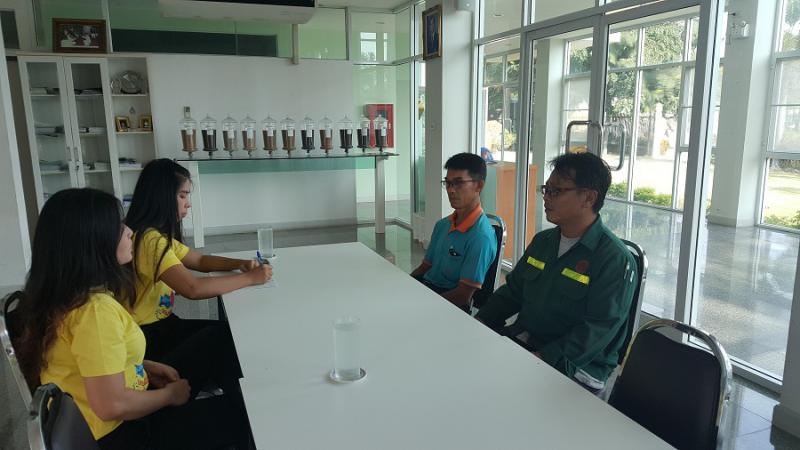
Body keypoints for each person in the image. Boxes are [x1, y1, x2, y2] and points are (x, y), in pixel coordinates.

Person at [14, 188, 249, 449]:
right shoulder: (94, 312)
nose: (129, 232)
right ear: (93, 243)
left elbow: (86, 361)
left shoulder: (64, 297)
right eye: (118, 228)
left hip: (112, 417)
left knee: (215, 341)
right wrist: (169, 396)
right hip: (123, 434)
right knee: (243, 417)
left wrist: (142, 365)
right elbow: (112, 405)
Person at [476, 152, 637, 393]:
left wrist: (542, 360)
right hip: (527, 342)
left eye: (556, 191)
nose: (546, 197)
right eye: (546, 189)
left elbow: (596, 331)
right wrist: (480, 322)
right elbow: (512, 292)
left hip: (577, 368)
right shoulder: (544, 241)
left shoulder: (614, 259)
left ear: (588, 198)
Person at [125, 158, 270, 396]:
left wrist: (240, 264)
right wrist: (250, 278)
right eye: (182, 196)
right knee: (222, 338)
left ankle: (228, 394)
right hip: (147, 339)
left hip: (163, 326)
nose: (188, 204)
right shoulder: (150, 241)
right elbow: (192, 288)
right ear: (162, 196)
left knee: (226, 334)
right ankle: (233, 402)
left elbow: (200, 261)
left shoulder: (156, 236)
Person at [410, 152, 498, 311]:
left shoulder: (480, 236)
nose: (450, 190)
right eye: (448, 183)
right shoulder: (442, 225)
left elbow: (462, 296)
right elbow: (425, 267)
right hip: (426, 291)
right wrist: (405, 285)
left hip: (449, 305)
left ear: (479, 186)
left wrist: (423, 306)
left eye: (458, 183)